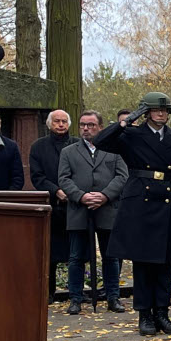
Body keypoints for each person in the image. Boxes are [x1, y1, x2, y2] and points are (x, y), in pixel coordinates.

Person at [97, 95, 171, 335]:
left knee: (165, 262)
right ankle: (144, 315)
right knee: (143, 263)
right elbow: (101, 141)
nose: (161, 114)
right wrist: (127, 120)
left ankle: (162, 313)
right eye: (156, 110)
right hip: (140, 202)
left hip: (168, 201)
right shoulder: (131, 135)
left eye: (165, 111)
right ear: (146, 112)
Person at [58, 111, 128, 311]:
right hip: (79, 209)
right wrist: (81, 196)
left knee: (111, 256)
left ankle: (113, 297)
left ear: (100, 127)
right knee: (76, 256)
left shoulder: (115, 150)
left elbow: (122, 176)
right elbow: (63, 178)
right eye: (82, 125)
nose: (86, 129)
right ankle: (75, 299)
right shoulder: (68, 152)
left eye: (90, 125)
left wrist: (104, 195)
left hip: (107, 209)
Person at [28, 108, 73, 300]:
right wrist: (56, 191)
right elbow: (37, 176)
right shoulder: (38, 146)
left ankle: (76, 292)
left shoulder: (78, 144)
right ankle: (49, 291)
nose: (61, 125)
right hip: (51, 205)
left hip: (74, 204)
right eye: (57, 121)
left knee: (76, 252)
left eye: (64, 121)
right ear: (49, 124)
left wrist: (73, 192)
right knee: (50, 252)